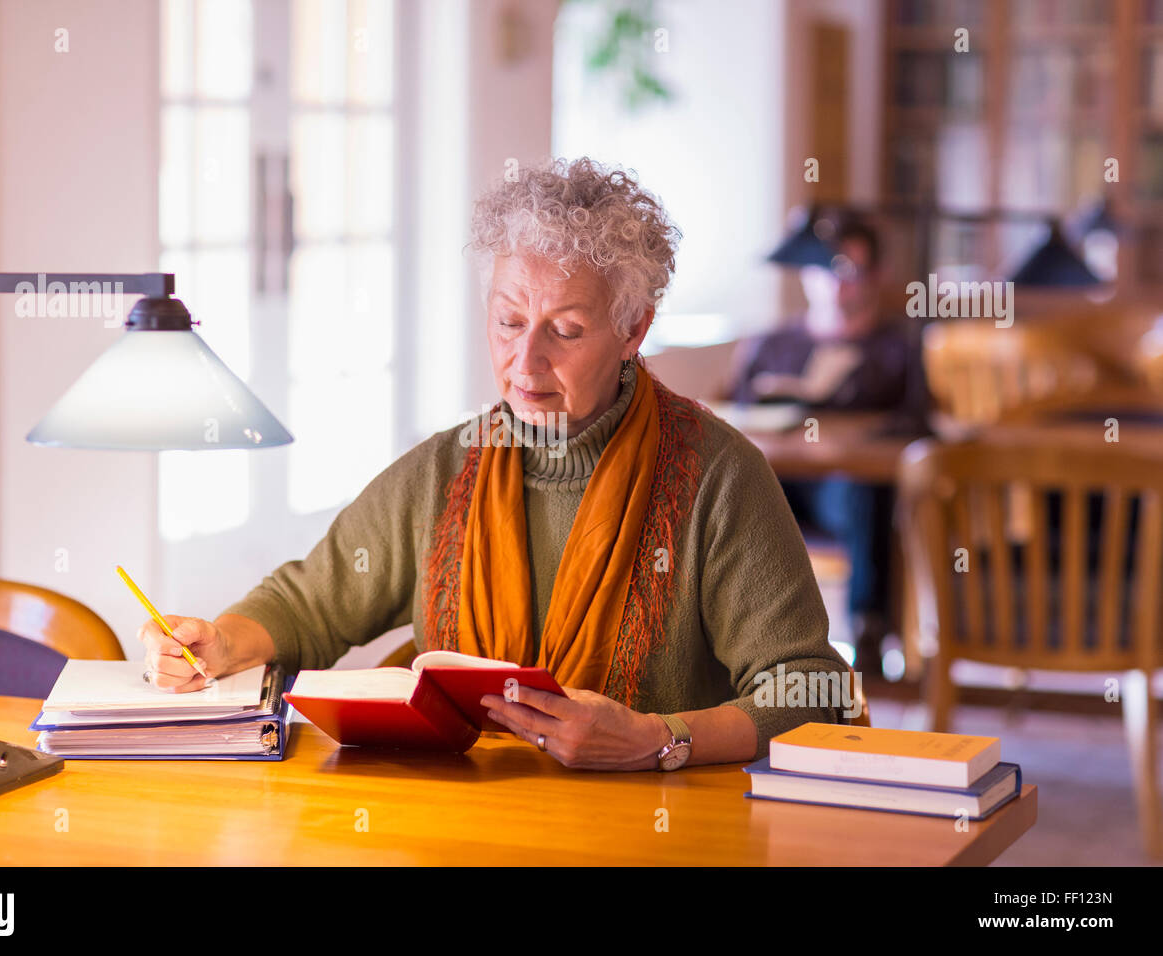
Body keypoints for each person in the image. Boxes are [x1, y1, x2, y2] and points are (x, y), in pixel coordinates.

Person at [140, 157, 854, 771]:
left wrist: (657, 740)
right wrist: (217, 641)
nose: (524, 361)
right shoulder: (443, 472)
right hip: (468, 831)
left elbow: (807, 690)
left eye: (566, 330)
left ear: (634, 328)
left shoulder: (718, 477)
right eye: (509, 320)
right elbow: (307, 605)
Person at [728, 219, 922, 671]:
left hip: (845, 491)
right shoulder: (769, 345)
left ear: (874, 275)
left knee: (863, 493)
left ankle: (867, 635)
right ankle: (747, 643)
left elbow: (916, 422)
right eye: (824, 269)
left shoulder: (897, 349)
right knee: (734, 493)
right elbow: (735, 420)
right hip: (778, 482)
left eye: (849, 270)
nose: (836, 284)